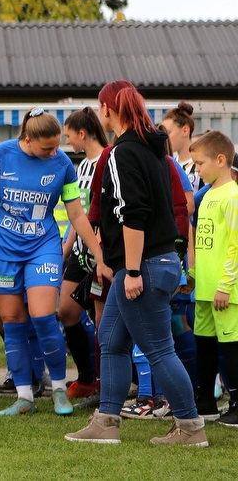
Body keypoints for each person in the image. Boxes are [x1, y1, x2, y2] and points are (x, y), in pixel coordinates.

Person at [66, 81, 207, 446]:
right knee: (110, 339)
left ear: (108, 109)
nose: (100, 114)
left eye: (101, 107)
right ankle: (107, 421)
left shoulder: (121, 153)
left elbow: (133, 213)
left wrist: (129, 270)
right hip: (155, 262)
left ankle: (191, 428)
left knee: (159, 349)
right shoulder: (154, 149)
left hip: (142, 266)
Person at [0, 108, 104, 417]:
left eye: (58, 145)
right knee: (13, 323)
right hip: (1, 250)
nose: (55, 152)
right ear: (27, 139)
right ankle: (24, 396)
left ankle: (58, 390)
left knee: (44, 316)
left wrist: (99, 254)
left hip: (43, 246)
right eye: (48, 148)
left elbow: (77, 214)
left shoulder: (62, 165)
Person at [187, 131, 238, 425]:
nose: (197, 169)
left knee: (231, 345)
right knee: (203, 343)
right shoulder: (206, 196)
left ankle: (236, 402)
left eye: (200, 163)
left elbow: (234, 247)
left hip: (225, 291)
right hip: (204, 289)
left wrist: (224, 286)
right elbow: (204, 244)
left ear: (220, 160)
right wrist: (192, 276)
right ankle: (205, 400)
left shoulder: (232, 197)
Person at [59, 107, 108, 400]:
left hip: (102, 254)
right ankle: (87, 377)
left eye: (68, 136)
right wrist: (66, 249)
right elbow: (79, 216)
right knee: (66, 311)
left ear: (82, 133)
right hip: (80, 253)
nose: (67, 143)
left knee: (104, 322)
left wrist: (100, 247)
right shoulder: (79, 168)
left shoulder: (109, 159)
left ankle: (106, 385)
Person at [161, 102, 203, 189]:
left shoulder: (201, 164)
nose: (165, 138)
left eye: (168, 133)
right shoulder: (169, 164)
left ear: (185, 131)